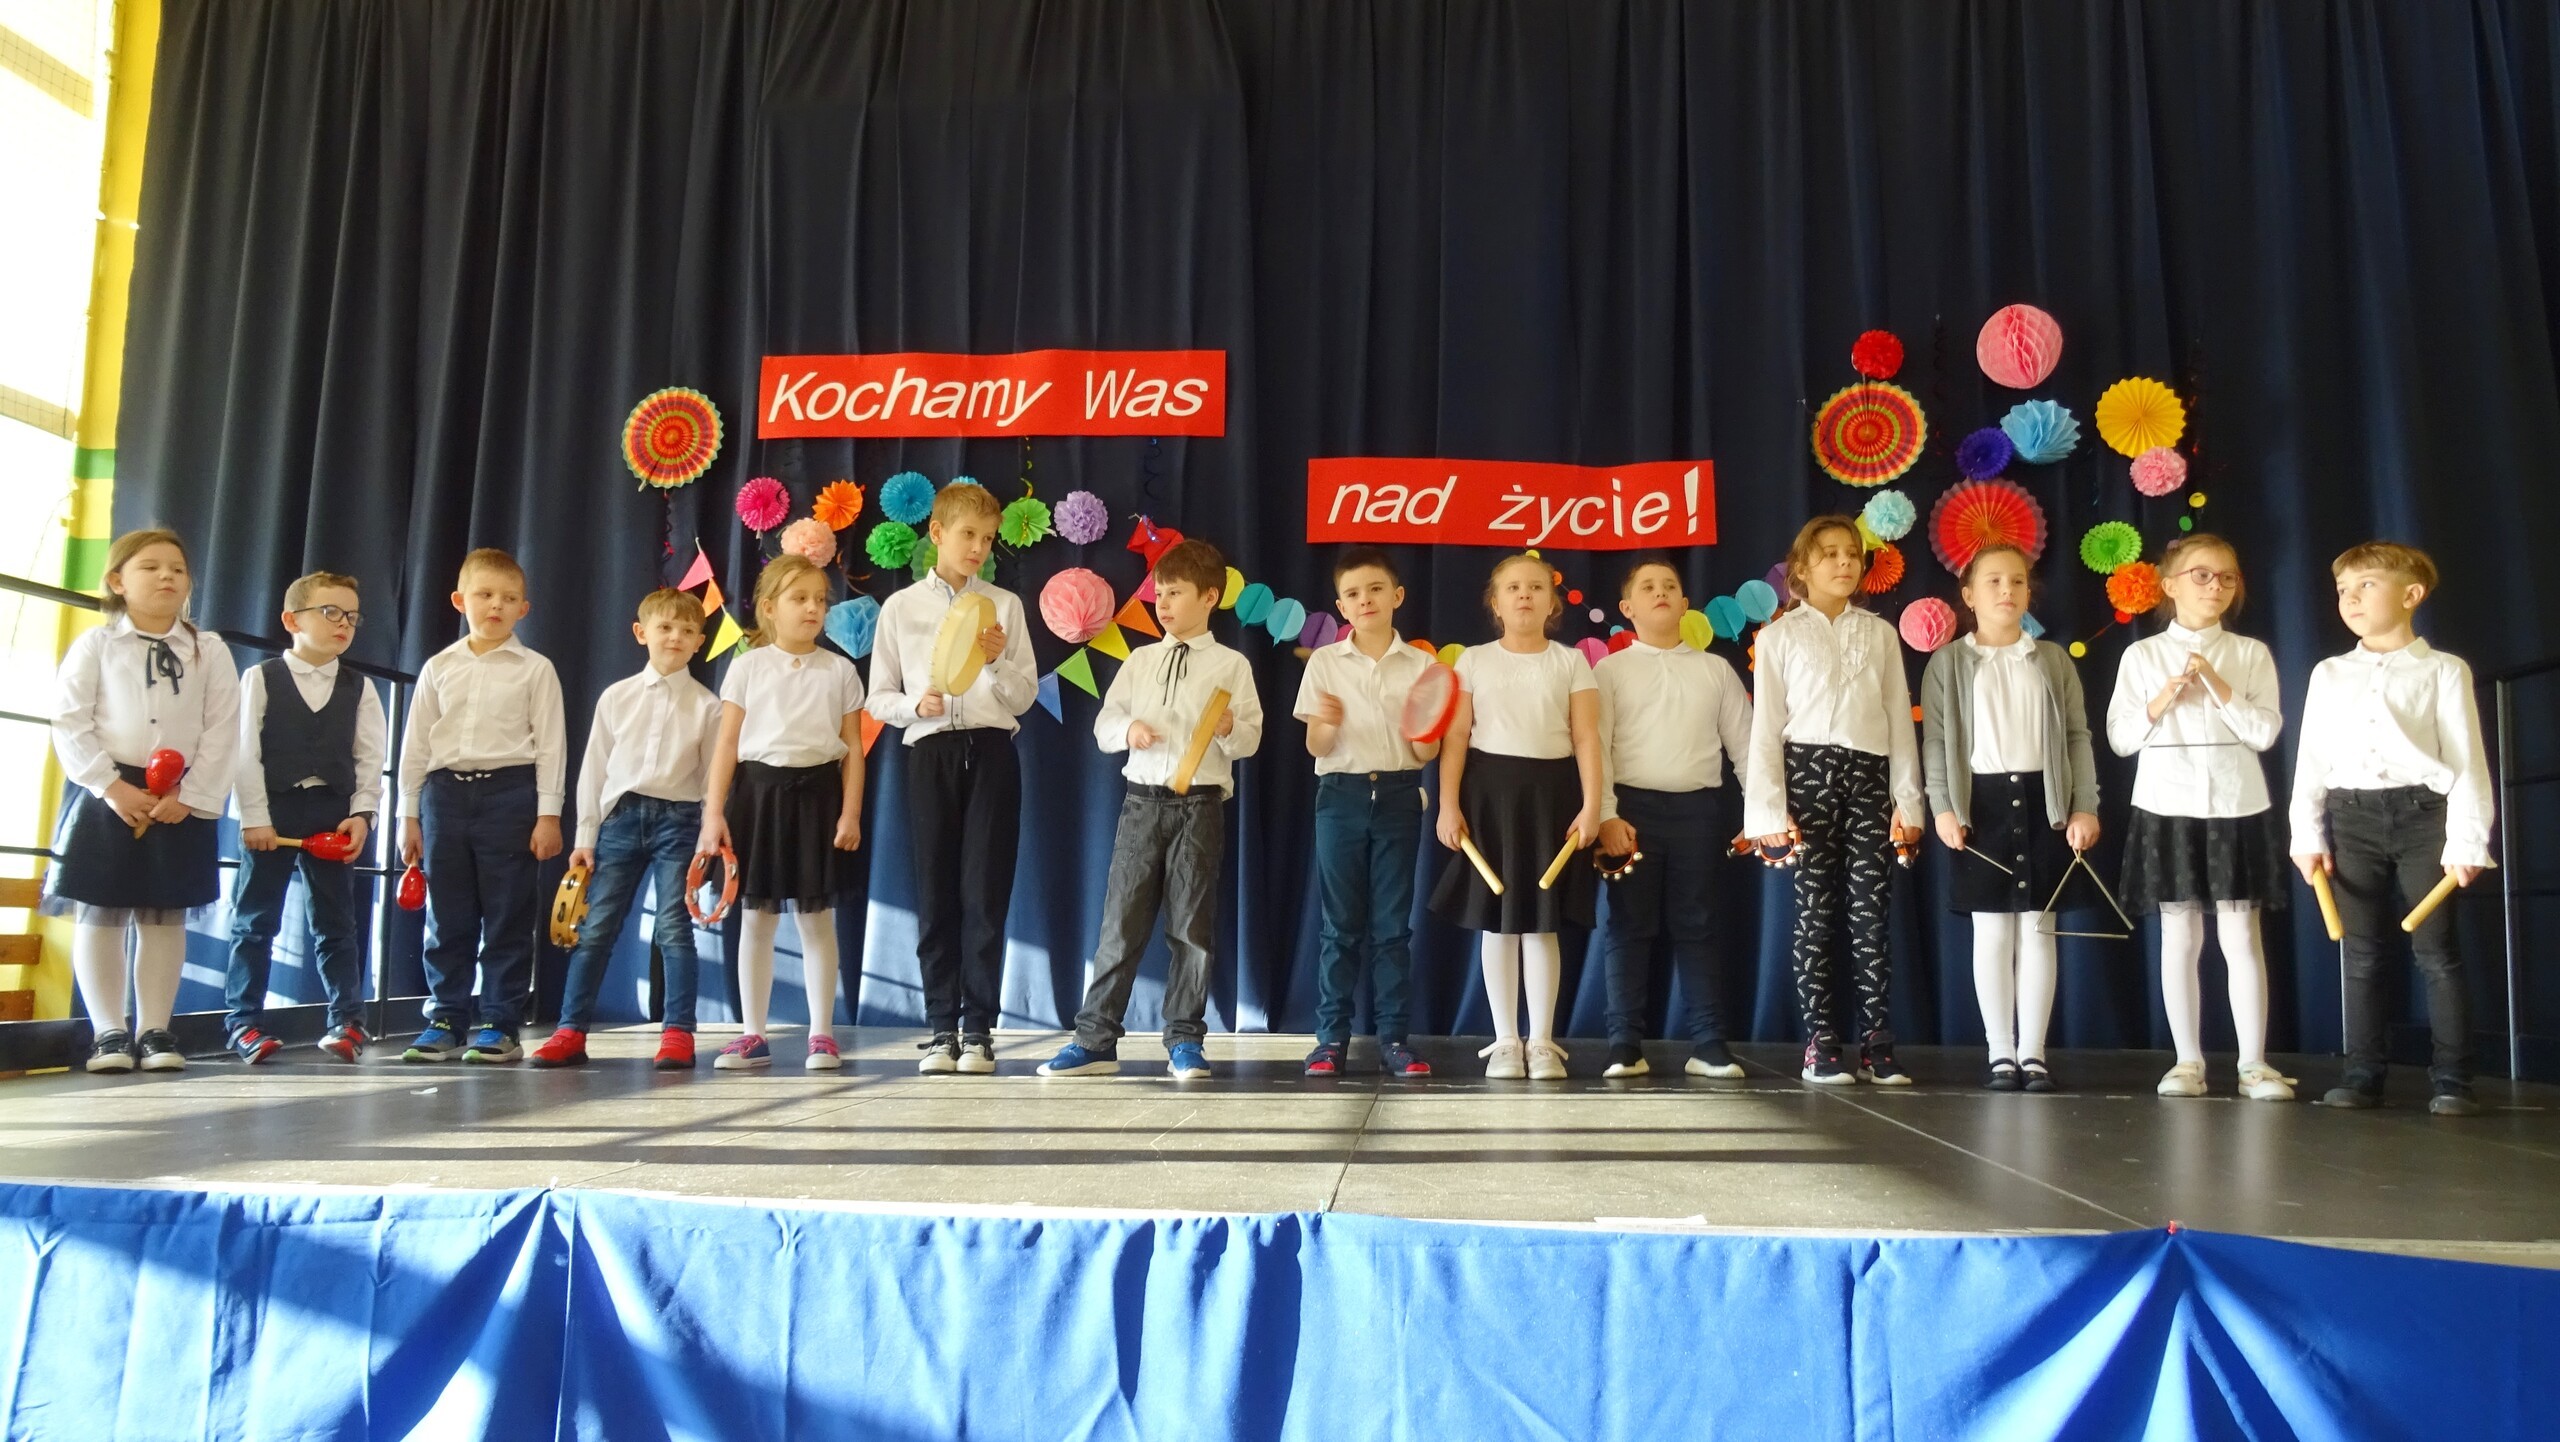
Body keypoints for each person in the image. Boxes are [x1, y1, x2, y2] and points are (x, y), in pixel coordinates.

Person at [1039, 539, 1263, 1079]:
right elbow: (1103, 725)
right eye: (1159, 594)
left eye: (1176, 593)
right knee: (1120, 924)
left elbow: (1251, 738)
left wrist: (1230, 729)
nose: (1163, 604)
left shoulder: (1231, 665)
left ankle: (1184, 1039)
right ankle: (1095, 1040)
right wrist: (1129, 730)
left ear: (1209, 597)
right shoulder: (1140, 660)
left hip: (1200, 806)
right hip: (1142, 804)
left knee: (1191, 929)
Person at [2289, 541, 2492, 1117]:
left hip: (2424, 817)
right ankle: (2362, 1075)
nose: (2350, 599)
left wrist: (2467, 839)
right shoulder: (2329, 673)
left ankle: (2453, 1079)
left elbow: (2466, 760)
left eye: (2366, 586)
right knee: (2361, 953)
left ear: (2411, 595)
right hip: (2351, 819)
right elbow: (2311, 759)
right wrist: (2307, 834)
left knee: (2437, 952)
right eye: (2342, 590)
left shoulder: (2443, 670)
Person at [2106, 532, 2293, 1102]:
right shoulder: (2142, 656)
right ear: (2170, 585)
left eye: (2227, 577)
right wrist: (2161, 701)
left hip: (2238, 804)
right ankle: (2187, 1061)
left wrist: (2217, 685)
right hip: (2168, 805)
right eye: (2202, 575)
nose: (2216, 586)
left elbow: (2265, 732)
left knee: (2241, 936)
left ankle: (2254, 1064)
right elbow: (2120, 740)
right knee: (2179, 936)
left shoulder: (2250, 653)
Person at [46, 529, 239, 1073]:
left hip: (179, 795)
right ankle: (108, 1032)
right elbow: (69, 720)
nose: (166, 576)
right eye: (150, 567)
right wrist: (109, 786)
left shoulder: (209, 649)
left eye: (177, 568)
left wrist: (191, 795)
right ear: (117, 581)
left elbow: (224, 727)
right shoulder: (97, 644)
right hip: (108, 788)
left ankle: (155, 1029)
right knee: (101, 909)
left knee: (164, 913)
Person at [1744, 517, 1925, 1086]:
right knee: (1815, 916)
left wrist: (1908, 802)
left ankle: (1876, 1041)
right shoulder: (1777, 637)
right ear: (1802, 567)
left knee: (1872, 916)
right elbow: (1765, 729)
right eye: (1829, 554)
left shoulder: (1880, 634)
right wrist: (1769, 811)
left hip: (1870, 778)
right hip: (1806, 778)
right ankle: (1820, 1041)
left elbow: (1899, 721)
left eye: (1852, 553)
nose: (1844, 563)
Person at [866, 481, 1037, 1075]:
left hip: (991, 752)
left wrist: (995, 661)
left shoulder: (1005, 607)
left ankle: (980, 1030)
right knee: (934, 891)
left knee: (985, 891)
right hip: (929, 752)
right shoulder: (901, 607)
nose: (978, 548)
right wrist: (914, 706)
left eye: (987, 539)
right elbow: (877, 697)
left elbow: (1024, 696)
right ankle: (942, 1028)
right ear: (937, 533)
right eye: (968, 534)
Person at [1920, 544, 2100, 1093]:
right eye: (1993, 581)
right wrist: (1943, 807)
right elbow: (1936, 741)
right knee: (1993, 932)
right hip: (1981, 805)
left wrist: (2084, 804)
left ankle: (2034, 1053)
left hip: (2045, 802)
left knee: (2040, 931)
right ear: (1969, 595)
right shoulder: (1947, 663)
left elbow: (2076, 736)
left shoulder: (2051, 660)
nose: (2007, 590)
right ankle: (2000, 1051)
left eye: (2017, 581)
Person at [529, 588, 721, 1071]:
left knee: (673, 927)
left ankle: (678, 1032)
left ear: (699, 642)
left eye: (687, 630)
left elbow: (711, 780)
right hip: (620, 819)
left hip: (680, 822)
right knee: (596, 928)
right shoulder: (616, 697)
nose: (675, 637)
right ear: (641, 633)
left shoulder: (707, 705)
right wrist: (585, 837)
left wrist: (708, 835)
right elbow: (594, 768)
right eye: (664, 627)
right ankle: (571, 1030)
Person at [1428, 553, 1603, 1081]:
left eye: (1535, 587)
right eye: (1513, 587)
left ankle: (1542, 1041)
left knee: (1542, 923)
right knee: (1498, 921)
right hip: (1488, 797)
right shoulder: (1473, 661)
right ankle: (1506, 1040)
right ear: (1495, 602)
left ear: (1552, 603)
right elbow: (1456, 738)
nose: (1524, 594)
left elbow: (1587, 738)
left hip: (1553, 797)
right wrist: (1448, 804)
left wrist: (1592, 805)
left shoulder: (1571, 662)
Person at [397, 548, 566, 1063]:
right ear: (460, 600)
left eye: (509, 598)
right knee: (447, 914)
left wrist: (548, 814)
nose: (496, 605)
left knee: (508, 912)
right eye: (485, 594)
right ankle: (446, 1018)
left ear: (524, 609)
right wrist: (408, 814)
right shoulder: (438, 667)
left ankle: (500, 1022)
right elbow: (415, 745)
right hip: (444, 795)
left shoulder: (535, 669)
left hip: (510, 794)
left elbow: (551, 745)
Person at [699, 554, 867, 1072]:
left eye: (820, 599)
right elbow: (727, 745)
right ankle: (753, 1035)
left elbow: (853, 750)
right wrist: (713, 814)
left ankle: (822, 1034)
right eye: (800, 598)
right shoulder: (747, 666)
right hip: (757, 797)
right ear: (769, 608)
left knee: (817, 918)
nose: (813, 608)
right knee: (757, 918)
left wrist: (850, 814)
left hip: (819, 798)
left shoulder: (840, 669)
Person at [1592, 558, 1753, 1079]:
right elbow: (1597, 749)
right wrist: (1607, 815)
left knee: (1698, 925)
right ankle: (1624, 1045)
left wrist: (1758, 812)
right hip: (1629, 813)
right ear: (1627, 607)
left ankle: (1709, 1043)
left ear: (1685, 604)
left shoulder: (1715, 670)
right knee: (1628, 926)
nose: (1660, 592)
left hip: (1698, 813)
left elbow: (1746, 749)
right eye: (1647, 587)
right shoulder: (1609, 671)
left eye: (1670, 586)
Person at [226, 570, 386, 1064]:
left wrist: (363, 814)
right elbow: (243, 751)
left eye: (352, 616)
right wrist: (255, 818)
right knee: (255, 920)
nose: (344, 624)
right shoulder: (261, 677)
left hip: (333, 813)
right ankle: (243, 1022)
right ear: (292, 620)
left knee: (336, 921)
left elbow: (370, 757)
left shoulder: (360, 687)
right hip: (274, 809)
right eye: (331, 612)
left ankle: (347, 1021)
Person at [1295, 546, 1437, 1078]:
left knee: (1392, 927)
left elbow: (1425, 752)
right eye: (1353, 594)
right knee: (1340, 927)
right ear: (1341, 607)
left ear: (1397, 595)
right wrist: (1328, 722)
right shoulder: (1325, 663)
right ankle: (1330, 1039)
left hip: (1400, 796)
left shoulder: (1423, 666)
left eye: (1376, 589)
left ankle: (1394, 1038)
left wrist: (1420, 733)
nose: (1365, 599)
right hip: (1340, 797)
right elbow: (1316, 746)